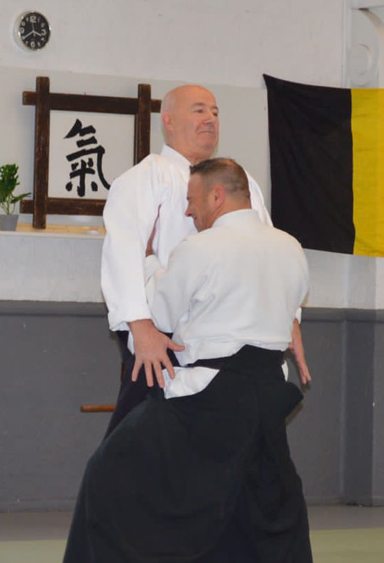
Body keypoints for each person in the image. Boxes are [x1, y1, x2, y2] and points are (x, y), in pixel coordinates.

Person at [63, 158, 318, 563]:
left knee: (113, 466)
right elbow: (287, 310)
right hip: (269, 389)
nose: (187, 211)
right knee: (269, 480)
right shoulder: (291, 247)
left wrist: (147, 262)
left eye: (192, 200)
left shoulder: (201, 248)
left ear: (217, 196)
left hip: (211, 391)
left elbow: (160, 313)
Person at [100, 84, 308, 434]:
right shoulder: (145, 177)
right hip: (161, 334)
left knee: (230, 441)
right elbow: (122, 251)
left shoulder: (239, 181)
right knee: (141, 438)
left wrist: (290, 319)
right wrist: (140, 326)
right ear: (168, 120)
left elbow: (269, 252)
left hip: (232, 337)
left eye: (215, 112)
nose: (210, 118)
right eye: (199, 110)